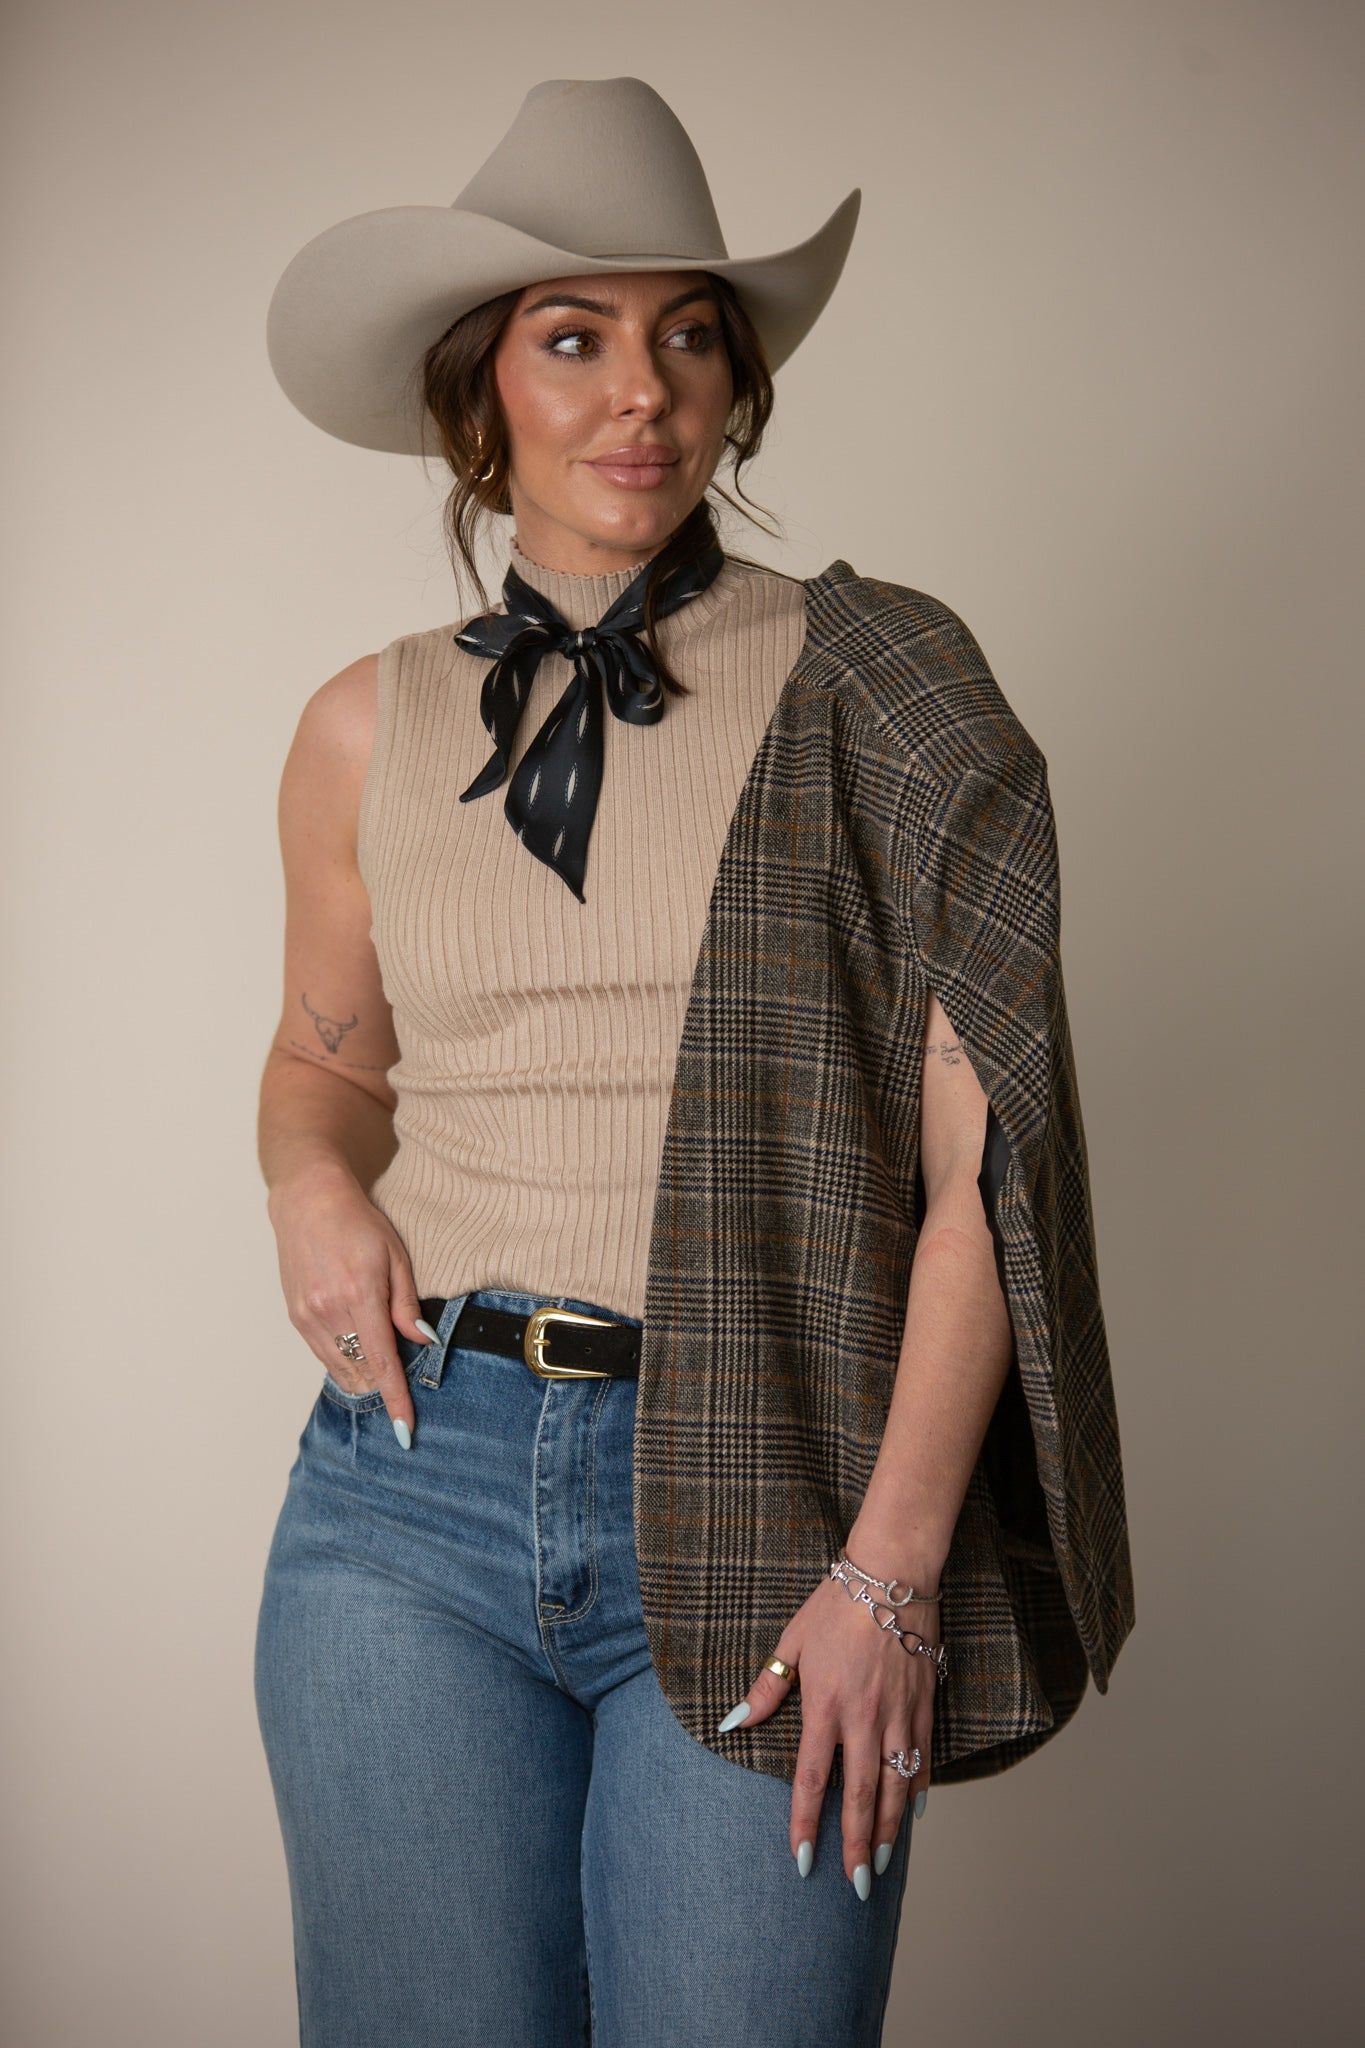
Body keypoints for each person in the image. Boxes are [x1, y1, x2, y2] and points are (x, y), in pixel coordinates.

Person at [254, 75, 1134, 2048]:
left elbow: (985, 1169)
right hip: (408, 1499)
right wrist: (308, 1180)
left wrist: (888, 1568)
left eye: (685, 334)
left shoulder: (881, 684)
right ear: (480, 394)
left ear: (734, 383)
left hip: (768, 1482)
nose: (637, 388)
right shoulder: (359, 725)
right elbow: (323, 1061)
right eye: (572, 336)